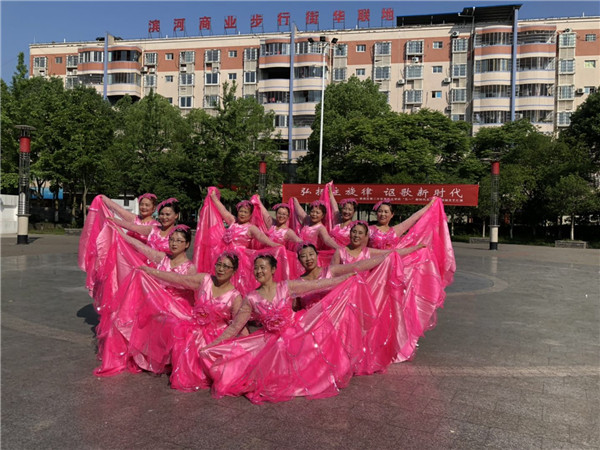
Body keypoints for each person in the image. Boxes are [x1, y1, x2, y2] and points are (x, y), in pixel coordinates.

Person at [199, 254, 383, 404]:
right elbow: (235, 327)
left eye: (263, 267)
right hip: (267, 339)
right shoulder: (251, 298)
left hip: (294, 334)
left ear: (273, 270)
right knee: (242, 361)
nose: (259, 271)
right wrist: (214, 345)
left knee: (287, 345)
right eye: (256, 268)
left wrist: (346, 278)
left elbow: (317, 285)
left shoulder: (286, 287)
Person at [125, 252, 247, 391]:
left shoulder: (235, 297)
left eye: (226, 267)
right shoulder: (204, 279)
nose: (221, 269)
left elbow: (238, 326)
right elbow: (178, 279)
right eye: (219, 265)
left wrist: (243, 348)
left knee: (197, 344)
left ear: (234, 271)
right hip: (195, 326)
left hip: (215, 336)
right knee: (174, 327)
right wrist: (151, 271)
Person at [94, 224, 196, 377]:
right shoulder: (162, 258)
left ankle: (162, 359)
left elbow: (190, 290)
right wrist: (120, 232)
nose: (174, 243)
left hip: (177, 305)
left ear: (187, 244)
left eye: (179, 241)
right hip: (157, 301)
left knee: (171, 323)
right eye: (172, 240)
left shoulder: (190, 268)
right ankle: (134, 356)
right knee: (124, 315)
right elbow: (140, 247)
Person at [194, 188, 287, 295]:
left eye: (245, 212)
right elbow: (223, 210)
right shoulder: (233, 221)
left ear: (250, 215)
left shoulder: (251, 228)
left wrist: (275, 245)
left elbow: (262, 238)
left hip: (241, 260)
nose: (242, 214)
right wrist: (214, 197)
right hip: (224, 256)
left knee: (239, 283)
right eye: (241, 211)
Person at [332, 221, 425, 265]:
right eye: (354, 232)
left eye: (360, 233)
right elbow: (331, 275)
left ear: (365, 236)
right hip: (342, 293)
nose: (356, 235)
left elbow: (392, 252)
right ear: (350, 233)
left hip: (362, 292)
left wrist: (416, 248)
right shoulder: (339, 252)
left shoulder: (368, 252)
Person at [109, 198, 181, 253]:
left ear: (176, 215)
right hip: (143, 262)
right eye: (162, 214)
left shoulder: (179, 235)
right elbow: (133, 228)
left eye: (168, 214)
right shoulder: (154, 229)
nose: (164, 217)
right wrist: (115, 221)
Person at [369, 198, 435, 250]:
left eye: (386, 212)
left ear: (392, 215)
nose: (382, 214)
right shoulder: (369, 229)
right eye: (380, 211)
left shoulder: (395, 231)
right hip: (372, 262)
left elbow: (414, 218)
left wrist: (430, 204)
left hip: (392, 262)